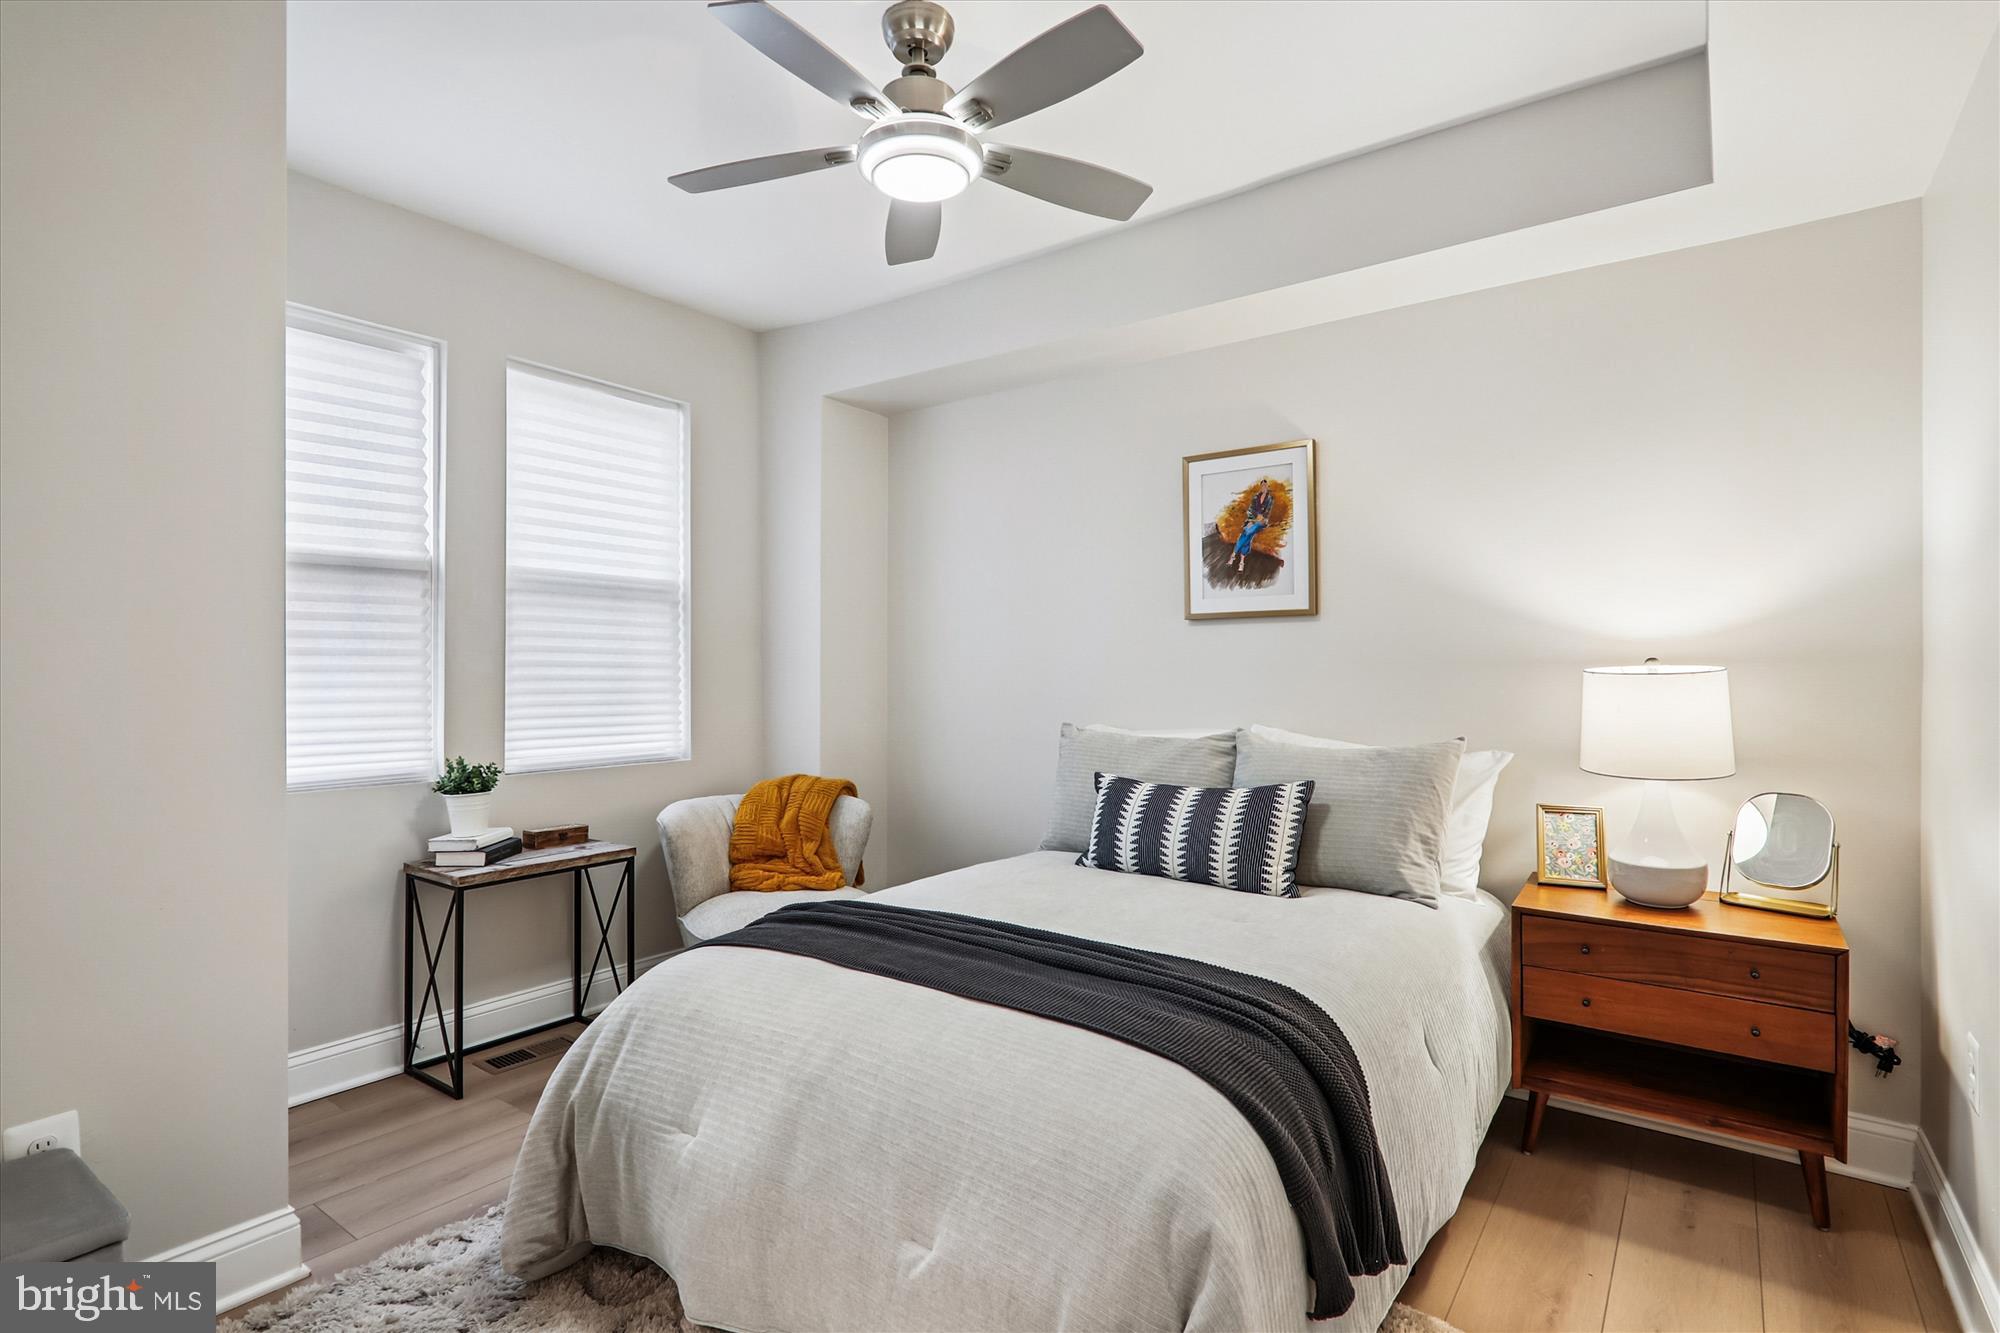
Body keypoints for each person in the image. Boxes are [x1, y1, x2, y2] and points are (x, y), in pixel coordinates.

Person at [1231, 479, 1275, 572]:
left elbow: (1267, 513)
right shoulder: (1255, 497)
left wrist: (1260, 518)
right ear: (1261, 486)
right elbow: (1250, 510)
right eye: (1262, 485)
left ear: (1267, 487)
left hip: (1262, 522)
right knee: (1248, 534)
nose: (1264, 487)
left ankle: (1233, 554)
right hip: (1253, 520)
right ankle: (1241, 562)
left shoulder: (1270, 499)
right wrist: (1253, 519)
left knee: (1247, 531)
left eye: (1265, 485)